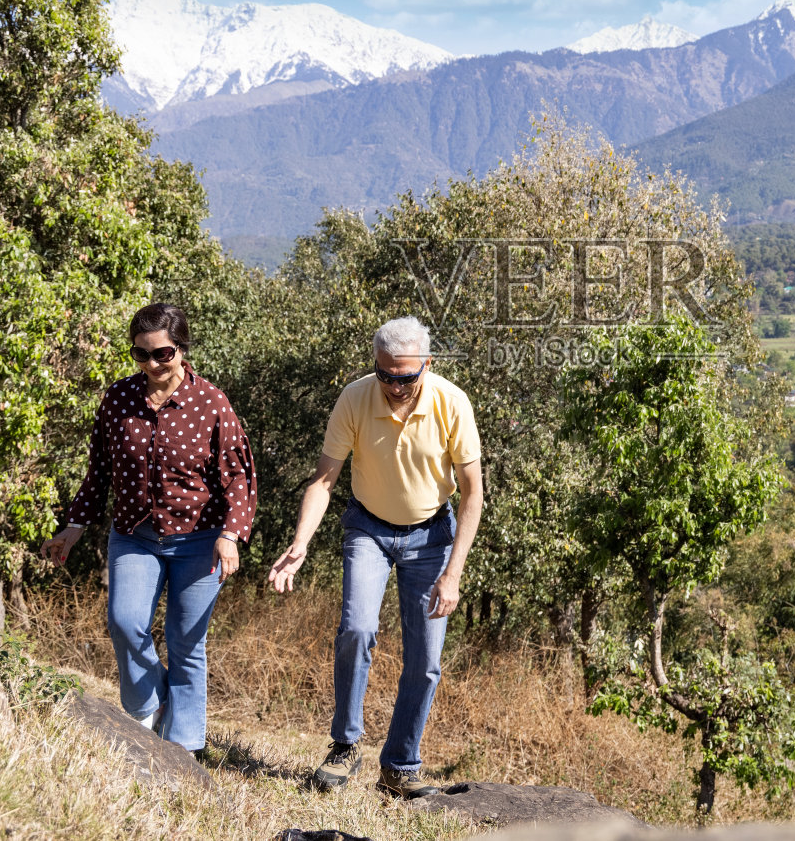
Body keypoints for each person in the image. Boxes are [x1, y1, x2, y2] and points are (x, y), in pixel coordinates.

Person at [269, 316, 483, 799]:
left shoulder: (452, 403)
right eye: (385, 374)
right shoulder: (356, 397)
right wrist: (301, 544)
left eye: (406, 376)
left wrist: (453, 574)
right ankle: (345, 746)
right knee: (357, 629)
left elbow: (473, 494)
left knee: (426, 660)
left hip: (431, 538)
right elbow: (324, 481)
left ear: (427, 365)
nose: (394, 386)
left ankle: (400, 766)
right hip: (367, 526)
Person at [41, 302, 256, 757]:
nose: (153, 364)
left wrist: (231, 534)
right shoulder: (118, 399)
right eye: (142, 354)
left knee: (185, 643)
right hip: (134, 535)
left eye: (163, 354)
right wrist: (75, 525)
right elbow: (99, 470)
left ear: (182, 349)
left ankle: (184, 750)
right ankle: (147, 706)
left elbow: (238, 475)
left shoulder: (211, 403)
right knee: (124, 621)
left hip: (200, 540)